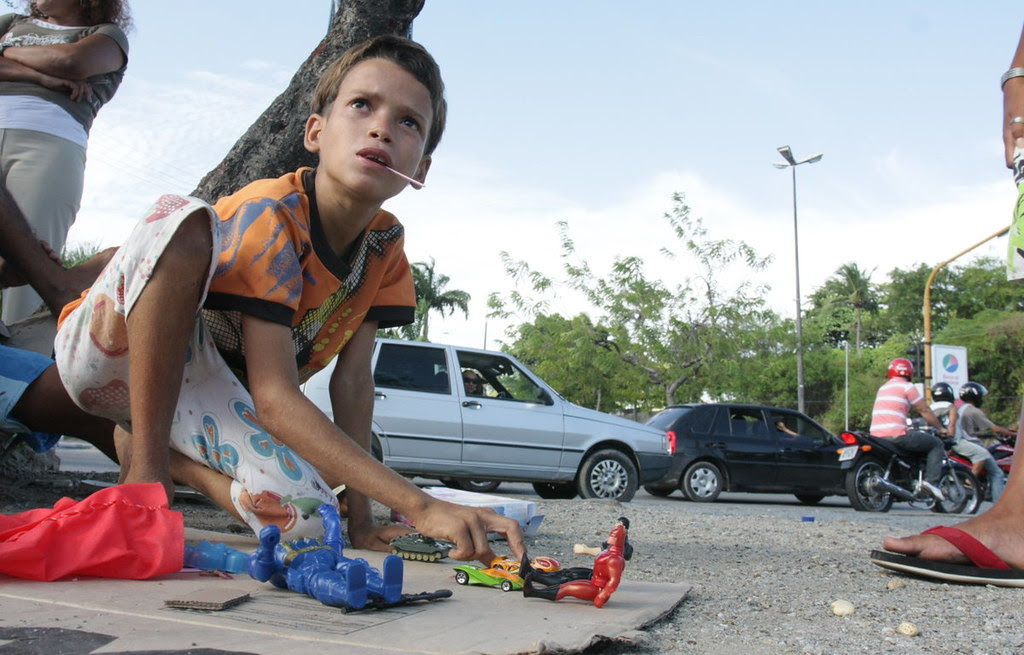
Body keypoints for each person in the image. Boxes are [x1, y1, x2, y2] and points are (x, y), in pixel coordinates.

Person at [46, 34, 523, 564]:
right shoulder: (272, 213)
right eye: (362, 105)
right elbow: (274, 398)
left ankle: (168, 458)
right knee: (180, 218)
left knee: (314, 523)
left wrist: (363, 519)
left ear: (421, 170)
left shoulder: (385, 248)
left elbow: (353, 383)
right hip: (109, 355)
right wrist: (421, 505)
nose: (382, 127)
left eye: (409, 122)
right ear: (316, 132)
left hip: (208, 396)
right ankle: (148, 470)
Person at [876, 25, 1024, 586]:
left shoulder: (907, 390)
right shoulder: (922, 396)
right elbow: (930, 418)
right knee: (949, 453)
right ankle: (1015, 517)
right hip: (912, 441)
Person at [0, 0, 131, 324]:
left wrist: (6, 53)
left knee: (33, 266)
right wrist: (45, 79)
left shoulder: (106, 35)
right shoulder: (9, 22)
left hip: (48, 141)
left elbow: (72, 62)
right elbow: (58, 68)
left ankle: (25, 361)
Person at [868, 358, 948, 500]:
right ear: (910, 372)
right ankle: (930, 483)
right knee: (936, 444)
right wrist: (940, 428)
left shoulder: (883, 388)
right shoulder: (908, 387)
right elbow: (924, 410)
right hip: (896, 435)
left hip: (876, 435)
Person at [522, 517, 628, 608]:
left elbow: (614, 580)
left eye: (613, 536)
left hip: (598, 587)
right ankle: (534, 576)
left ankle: (534, 589)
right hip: (594, 580)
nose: (610, 538)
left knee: (568, 584)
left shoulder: (617, 557)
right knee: (568, 575)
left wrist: (602, 596)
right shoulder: (610, 550)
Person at [955, 382, 1011, 502]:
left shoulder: (961, 409)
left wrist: (985, 435)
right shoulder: (973, 411)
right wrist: (1015, 434)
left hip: (964, 441)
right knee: (997, 473)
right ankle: (998, 504)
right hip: (971, 444)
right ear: (975, 396)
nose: (982, 399)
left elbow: (969, 430)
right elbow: (995, 428)